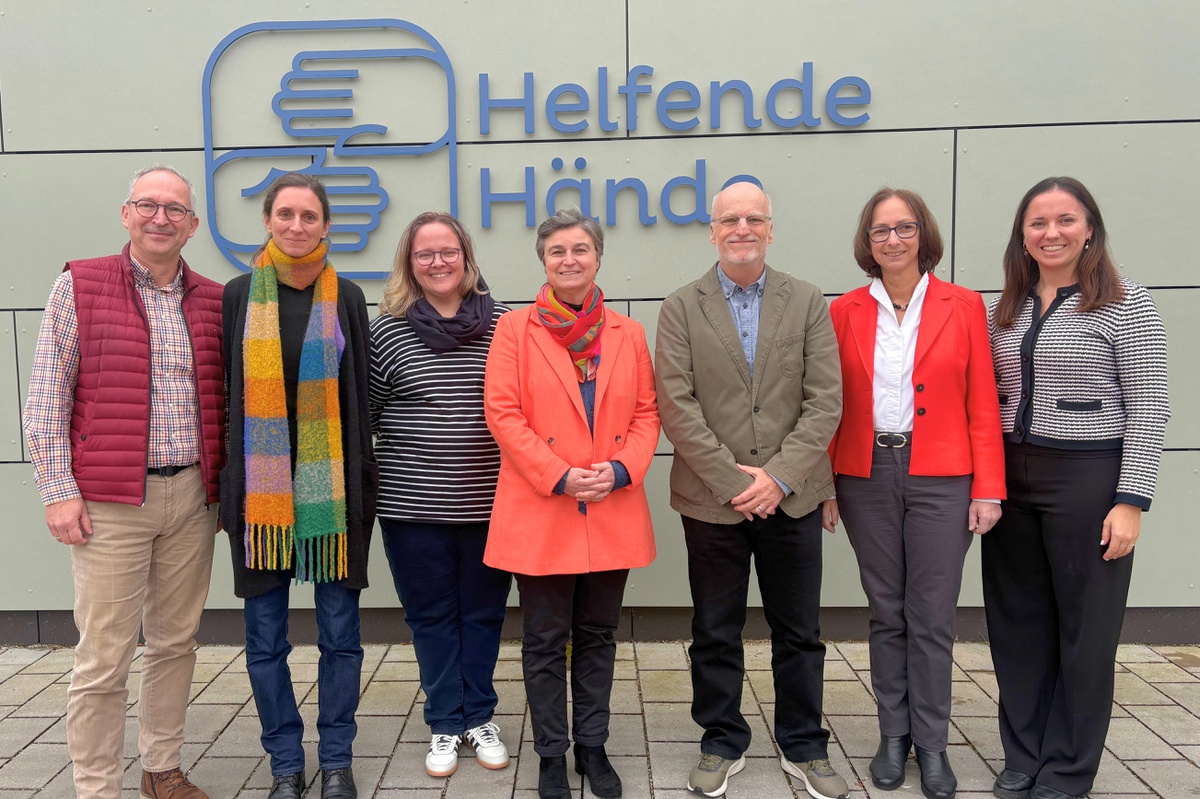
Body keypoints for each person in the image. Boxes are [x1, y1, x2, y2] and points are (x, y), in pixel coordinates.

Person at [22, 164, 224, 799]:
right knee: (103, 655)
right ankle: (97, 785)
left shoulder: (215, 300)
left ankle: (161, 768)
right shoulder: (79, 285)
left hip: (191, 497)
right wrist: (58, 489)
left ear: (193, 226)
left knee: (175, 641)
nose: (160, 218)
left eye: (174, 210)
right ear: (126, 213)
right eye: (148, 205)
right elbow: (46, 397)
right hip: (110, 503)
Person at [655, 181, 847, 799]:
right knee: (715, 627)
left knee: (800, 629)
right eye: (729, 219)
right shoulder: (682, 306)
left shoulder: (809, 300)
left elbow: (825, 401)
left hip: (793, 494)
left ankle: (804, 744)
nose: (742, 228)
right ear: (712, 231)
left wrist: (780, 477)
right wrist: (738, 482)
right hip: (713, 500)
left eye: (753, 219)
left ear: (770, 228)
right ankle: (721, 739)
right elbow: (677, 406)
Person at [984, 177, 1169, 799]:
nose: (1052, 233)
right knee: (1018, 624)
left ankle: (1067, 766)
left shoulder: (1126, 305)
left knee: (1086, 631)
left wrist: (1131, 501)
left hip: (1089, 479)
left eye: (1066, 220)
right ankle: (1024, 753)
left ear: (1090, 227)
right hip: (1011, 482)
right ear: (1023, 235)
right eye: (1038, 223)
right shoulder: (1000, 308)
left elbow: (1150, 407)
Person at [823, 188, 1005, 799]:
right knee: (886, 611)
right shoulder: (844, 310)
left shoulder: (963, 305)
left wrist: (989, 487)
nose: (893, 240)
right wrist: (824, 483)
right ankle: (891, 736)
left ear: (923, 235)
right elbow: (828, 405)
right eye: (881, 231)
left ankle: (932, 745)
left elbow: (983, 402)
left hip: (943, 477)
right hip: (865, 473)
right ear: (866, 242)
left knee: (931, 615)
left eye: (904, 228)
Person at [483, 207, 659, 799]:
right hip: (543, 505)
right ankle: (552, 754)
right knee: (542, 639)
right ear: (543, 260)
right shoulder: (514, 329)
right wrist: (559, 475)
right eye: (557, 250)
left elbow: (645, 414)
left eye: (580, 249)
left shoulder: (627, 333)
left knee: (598, 635)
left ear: (597, 257)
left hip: (610, 502)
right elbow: (503, 414)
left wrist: (619, 470)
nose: (569, 259)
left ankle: (593, 745)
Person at [220, 173, 377, 799]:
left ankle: (336, 759)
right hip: (261, 499)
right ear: (267, 221)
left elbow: (360, 400)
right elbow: (226, 393)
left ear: (325, 225)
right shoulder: (239, 295)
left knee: (341, 635)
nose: (296, 225)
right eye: (285, 213)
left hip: (332, 495)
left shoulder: (348, 298)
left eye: (309, 215)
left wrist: (360, 487)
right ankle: (286, 762)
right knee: (265, 639)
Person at [369, 212, 512, 778]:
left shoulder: (505, 324)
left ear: (466, 256)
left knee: (483, 614)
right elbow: (373, 413)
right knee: (429, 616)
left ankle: (479, 715)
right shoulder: (387, 331)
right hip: (412, 509)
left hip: (491, 503)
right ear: (409, 263)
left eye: (447, 251)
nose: (437, 262)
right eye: (424, 254)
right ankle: (444, 723)